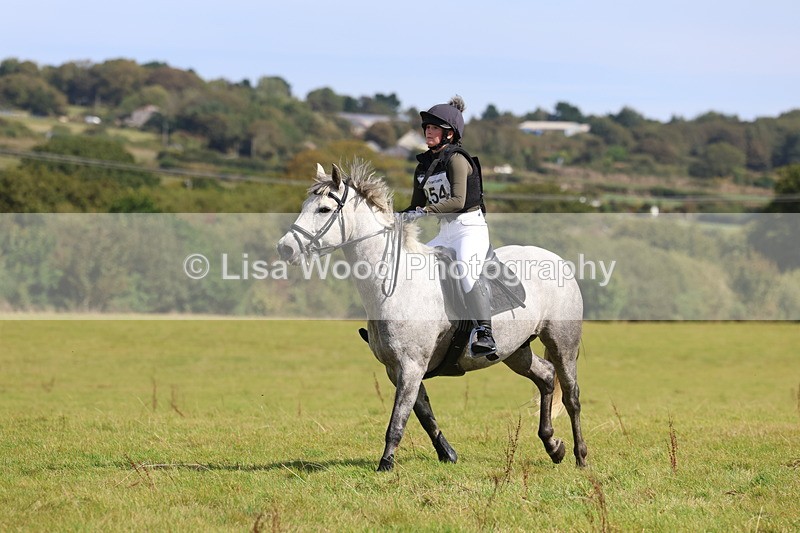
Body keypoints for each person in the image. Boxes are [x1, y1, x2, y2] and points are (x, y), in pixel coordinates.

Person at [402, 96, 496, 358]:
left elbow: (457, 201)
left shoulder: (457, 159)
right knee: (410, 265)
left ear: (449, 134)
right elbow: (415, 206)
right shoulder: (423, 166)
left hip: (469, 228)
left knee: (466, 270)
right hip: (445, 231)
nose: (428, 132)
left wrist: (425, 211)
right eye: (427, 128)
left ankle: (485, 333)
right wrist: (391, 219)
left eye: (434, 128)